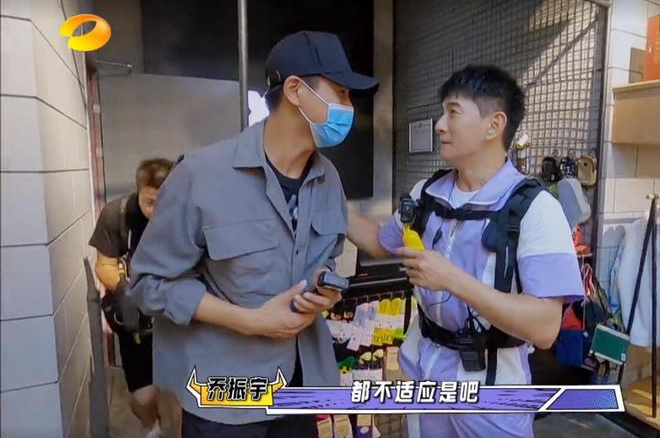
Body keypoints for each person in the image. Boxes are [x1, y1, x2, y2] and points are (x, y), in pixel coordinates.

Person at [128, 31, 379, 438]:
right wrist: (249, 321)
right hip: (224, 400)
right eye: (341, 94)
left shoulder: (328, 177)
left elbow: (324, 260)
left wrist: (324, 291)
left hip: (299, 387)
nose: (349, 109)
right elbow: (147, 283)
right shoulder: (200, 175)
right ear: (295, 91)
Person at [348, 65, 583, 437]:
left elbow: (544, 328)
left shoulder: (536, 209)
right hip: (424, 376)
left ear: (494, 125)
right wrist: (328, 193)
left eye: (453, 112)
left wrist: (452, 280)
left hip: (492, 397)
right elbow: (380, 242)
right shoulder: (426, 193)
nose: (440, 125)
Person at [89, 158, 180, 438]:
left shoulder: (185, 214)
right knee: (144, 397)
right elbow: (104, 265)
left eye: (164, 202)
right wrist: (128, 289)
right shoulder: (117, 214)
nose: (157, 211)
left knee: (180, 394)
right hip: (137, 320)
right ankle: (150, 426)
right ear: (138, 190)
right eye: (150, 202)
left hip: (176, 313)